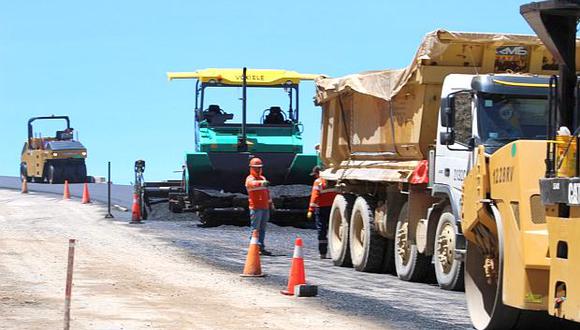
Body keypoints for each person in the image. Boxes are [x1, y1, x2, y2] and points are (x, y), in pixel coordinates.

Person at [245, 157, 274, 255]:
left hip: (264, 207)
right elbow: (252, 184)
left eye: (259, 167)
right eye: (256, 167)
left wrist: (270, 203)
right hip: (256, 207)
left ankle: (261, 247)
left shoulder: (263, 178)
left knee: (262, 228)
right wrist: (262, 183)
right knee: (255, 229)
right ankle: (253, 248)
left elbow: (266, 192)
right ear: (251, 168)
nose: (258, 169)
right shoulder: (250, 178)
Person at [307, 166, 337, 259]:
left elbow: (314, 197)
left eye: (315, 174)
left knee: (322, 231)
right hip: (334, 208)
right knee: (334, 229)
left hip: (321, 209)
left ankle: (323, 253)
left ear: (318, 173)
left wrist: (310, 210)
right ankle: (335, 251)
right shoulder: (334, 180)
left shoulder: (318, 182)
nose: (315, 176)